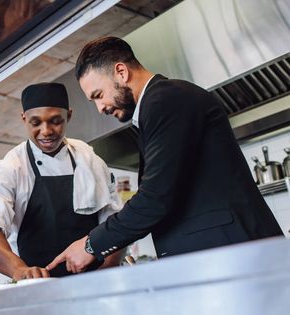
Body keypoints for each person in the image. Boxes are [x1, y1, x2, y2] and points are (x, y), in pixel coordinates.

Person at [46, 36, 284, 273]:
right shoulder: (157, 106)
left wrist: (90, 245)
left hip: (233, 257)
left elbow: (155, 197)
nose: (100, 108)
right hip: (221, 258)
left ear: (121, 71)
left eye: (98, 95)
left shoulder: (166, 100)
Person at [0, 82, 124, 280]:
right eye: (36, 123)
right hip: (37, 284)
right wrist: (18, 269)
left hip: (94, 281)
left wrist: (108, 268)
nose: (46, 131)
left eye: (55, 121)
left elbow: (114, 222)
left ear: (68, 115)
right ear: (24, 119)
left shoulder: (89, 159)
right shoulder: (11, 167)